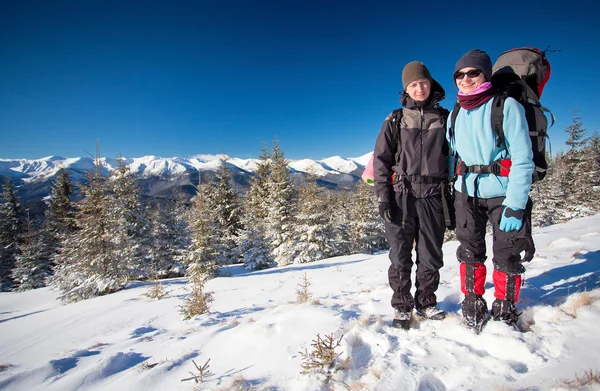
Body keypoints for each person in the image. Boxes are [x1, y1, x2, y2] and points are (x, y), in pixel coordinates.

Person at [447, 49, 535, 331]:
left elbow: (523, 159)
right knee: (469, 251)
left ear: (485, 74)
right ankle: (472, 301)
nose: (466, 78)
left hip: (502, 192)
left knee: (507, 253)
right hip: (466, 192)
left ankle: (505, 306)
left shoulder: (506, 106)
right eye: (460, 74)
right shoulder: (455, 113)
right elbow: (453, 156)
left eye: (473, 72)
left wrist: (516, 203)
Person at [373, 61, 450, 329]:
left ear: (432, 85)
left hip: (433, 195)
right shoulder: (395, 119)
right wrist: (383, 196)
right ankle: (402, 306)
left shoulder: (445, 118)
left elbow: (455, 158)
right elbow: (381, 161)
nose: (420, 88)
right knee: (400, 254)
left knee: (431, 254)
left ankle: (426, 302)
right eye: (414, 84)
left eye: (424, 83)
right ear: (406, 88)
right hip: (401, 195)